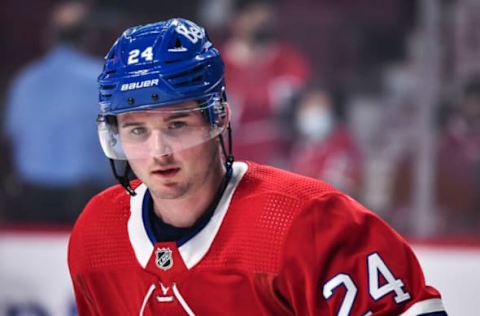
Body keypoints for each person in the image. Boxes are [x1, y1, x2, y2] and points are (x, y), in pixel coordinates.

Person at [68, 18, 447, 315]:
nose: (158, 151)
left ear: (218, 118)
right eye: (137, 130)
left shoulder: (313, 223)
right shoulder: (97, 232)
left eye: (177, 125)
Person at [3, 1, 112, 223]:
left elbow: (12, 135)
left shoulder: (26, 80)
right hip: (87, 201)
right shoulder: (104, 80)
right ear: (90, 37)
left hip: (31, 202)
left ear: (49, 37)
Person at [221, 0, 310, 165]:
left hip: (279, 152)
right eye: (253, 14)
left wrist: (243, 99)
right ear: (236, 20)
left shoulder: (288, 59)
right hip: (229, 151)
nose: (261, 20)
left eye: (265, 14)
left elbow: (287, 102)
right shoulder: (217, 62)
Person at [288, 85, 363, 197]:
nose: (312, 112)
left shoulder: (342, 145)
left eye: (319, 106)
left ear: (331, 111)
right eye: (308, 106)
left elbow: (335, 191)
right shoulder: (303, 146)